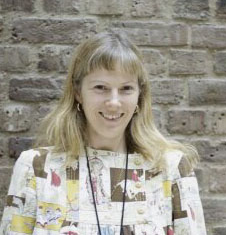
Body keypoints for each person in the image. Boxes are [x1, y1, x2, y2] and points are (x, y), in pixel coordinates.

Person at [0, 31, 207, 235]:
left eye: (126, 89)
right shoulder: (36, 169)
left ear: (139, 96)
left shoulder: (170, 170)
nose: (114, 103)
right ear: (78, 93)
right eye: (101, 87)